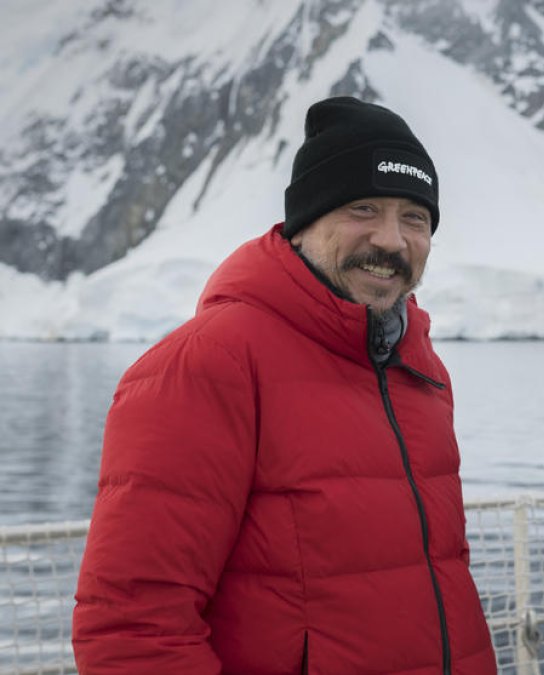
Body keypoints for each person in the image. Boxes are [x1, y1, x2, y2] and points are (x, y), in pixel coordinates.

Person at [73, 96, 497, 674]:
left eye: (414, 218)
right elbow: (131, 625)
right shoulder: (208, 364)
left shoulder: (417, 369)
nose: (392, 241)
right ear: (304, 223)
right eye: (363, 208)